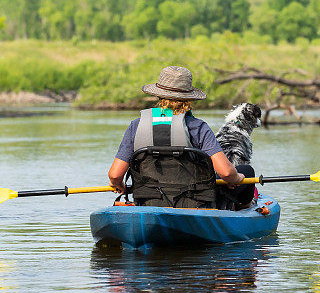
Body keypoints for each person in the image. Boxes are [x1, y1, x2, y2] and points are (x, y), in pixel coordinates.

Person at [108, 65, 254, 208]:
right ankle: (242, 209)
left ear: (158, 95)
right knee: (247, 172)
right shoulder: (199, 127)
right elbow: (226, 172)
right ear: (189, 99)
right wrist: (237, 178)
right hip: (195, 203)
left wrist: (118, 184)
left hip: (150, 201)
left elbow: (115, 175)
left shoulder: (136, 126)